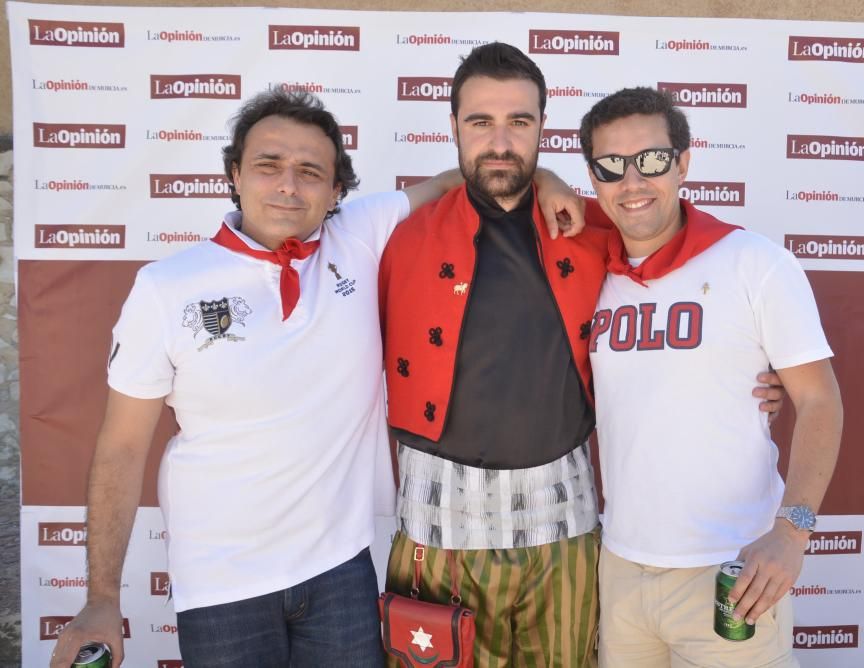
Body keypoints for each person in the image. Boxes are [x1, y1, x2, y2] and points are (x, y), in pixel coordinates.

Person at [47, 88, 577, 668]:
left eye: (310, 171)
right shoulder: (166, 287)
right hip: (223, 586)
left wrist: (548, 178)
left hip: (342, 573)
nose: (288, 186)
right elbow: (122, 449)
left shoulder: (359, 234)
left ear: (335, 191)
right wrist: (101, 598)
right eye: (268, 165)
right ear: (235, 173)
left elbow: (470, 176)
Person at [378, 43, 786, 667]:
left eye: (520, 122)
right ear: (453, 127)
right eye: (480, 122)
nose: (500, 141)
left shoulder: (597, 228)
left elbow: (680, 285)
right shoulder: (392, 236)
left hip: (564, 525)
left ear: (544, 127)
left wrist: (754, 372)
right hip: (440, 526)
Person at [580, 86, 844, 668]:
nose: (633, 182)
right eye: (610, 167)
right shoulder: (590, 273)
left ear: (683, 163)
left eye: (651, 160)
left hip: (732, 568)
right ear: (592, 179)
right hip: (621, 566)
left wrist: (793, 532)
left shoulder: (755, 263)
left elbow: (821, 401)